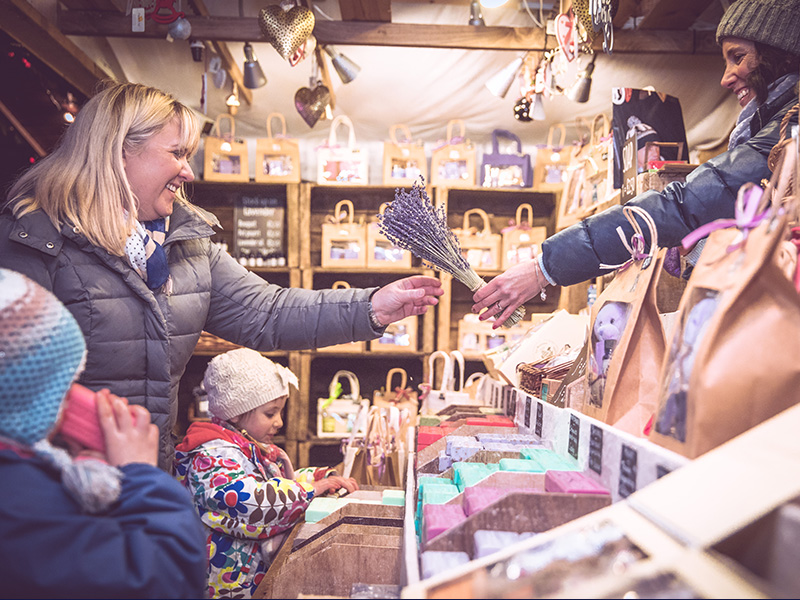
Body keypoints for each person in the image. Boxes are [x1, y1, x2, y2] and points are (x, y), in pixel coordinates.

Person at [0, 81, 443, 470]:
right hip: (53, 494)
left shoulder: (185, 243)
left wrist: (371, 307)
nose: (188, 172)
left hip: (144, 481)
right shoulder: (34, 240)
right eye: (176, 153)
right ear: (118, 151)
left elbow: (267, 313)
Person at [473, 0, 800, 323]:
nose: (726, 78)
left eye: (738, 57)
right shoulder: (775, 126)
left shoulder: (789, 130)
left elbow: (682, 206)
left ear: (781, 53)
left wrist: (542, 269)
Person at [0, 268, 207, 599]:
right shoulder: (20, 505)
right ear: (23, 396)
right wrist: (141, 475)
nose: (73, 401)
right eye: (64, 388)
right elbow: (168, 578)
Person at [174, 348, 359, 598]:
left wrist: (319, 478)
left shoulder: (246, 447)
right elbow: (252, 502)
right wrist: (312, 490)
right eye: (270, 413)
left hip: (247, 580)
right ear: (236, 413)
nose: (280, 422)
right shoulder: (210, 457)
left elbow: (273, 482)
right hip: (224, 587)